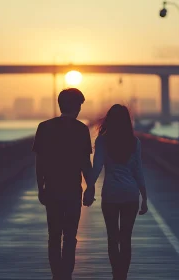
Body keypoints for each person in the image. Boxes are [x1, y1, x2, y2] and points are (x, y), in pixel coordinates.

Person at [32, 88, 95, 280]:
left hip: (52, 190)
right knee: (70, 236)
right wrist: (90, 188)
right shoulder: (81, 129)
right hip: (72, 191)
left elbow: (39, 162)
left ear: (60, 104)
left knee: (54, 235)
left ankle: (56, 274)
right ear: (76, 107)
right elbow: (86, 163)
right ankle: (66, 273)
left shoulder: (44, 127)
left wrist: (40, 187)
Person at [88, 104, 148, 280]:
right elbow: (138, 171)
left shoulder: (102, 141)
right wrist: (144, 197)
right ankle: (124, 275)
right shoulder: (134, 142)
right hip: (131, 194)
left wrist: (90, 187)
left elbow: (97, 166)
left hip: (111, 194)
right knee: (126, 237)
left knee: (112, 236)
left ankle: (116, 274)